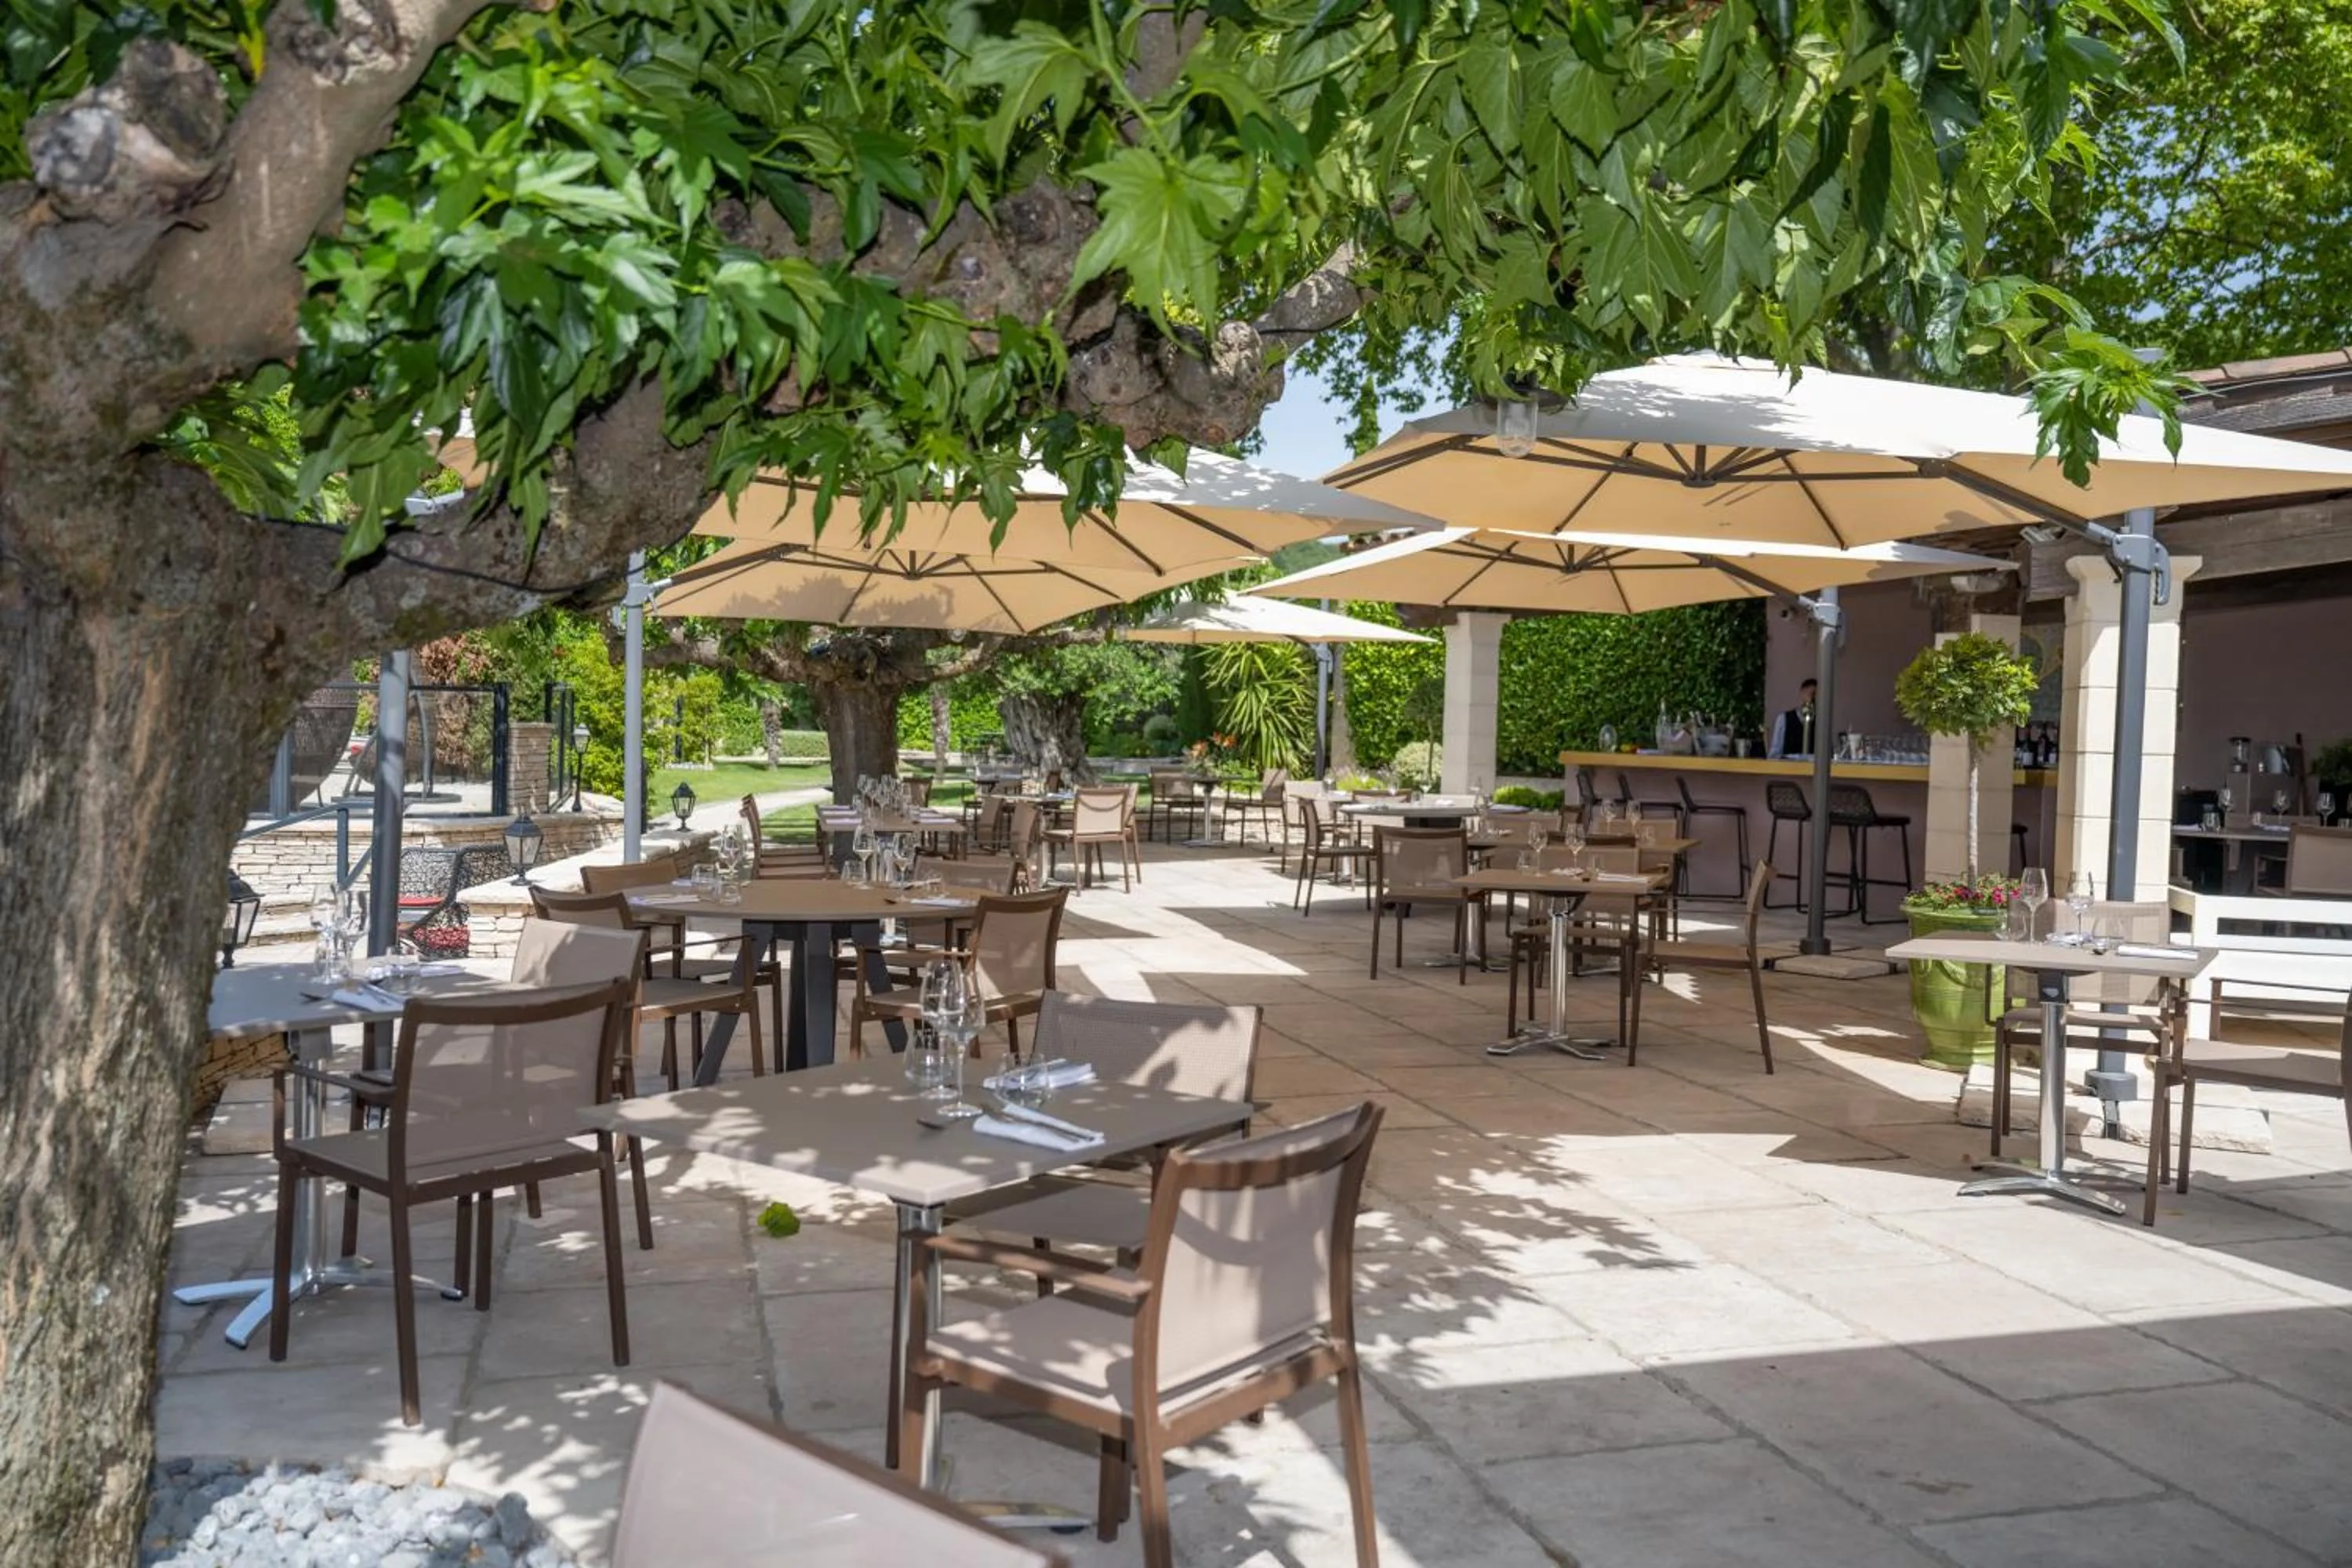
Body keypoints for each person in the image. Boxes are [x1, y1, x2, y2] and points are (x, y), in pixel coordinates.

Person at [1768, 678, 1817, 760]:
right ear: (1802, 693)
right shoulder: (1784, 720)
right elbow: (1774, 755)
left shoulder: (1821, 724)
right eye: (1812, 694)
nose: (1813, 700)